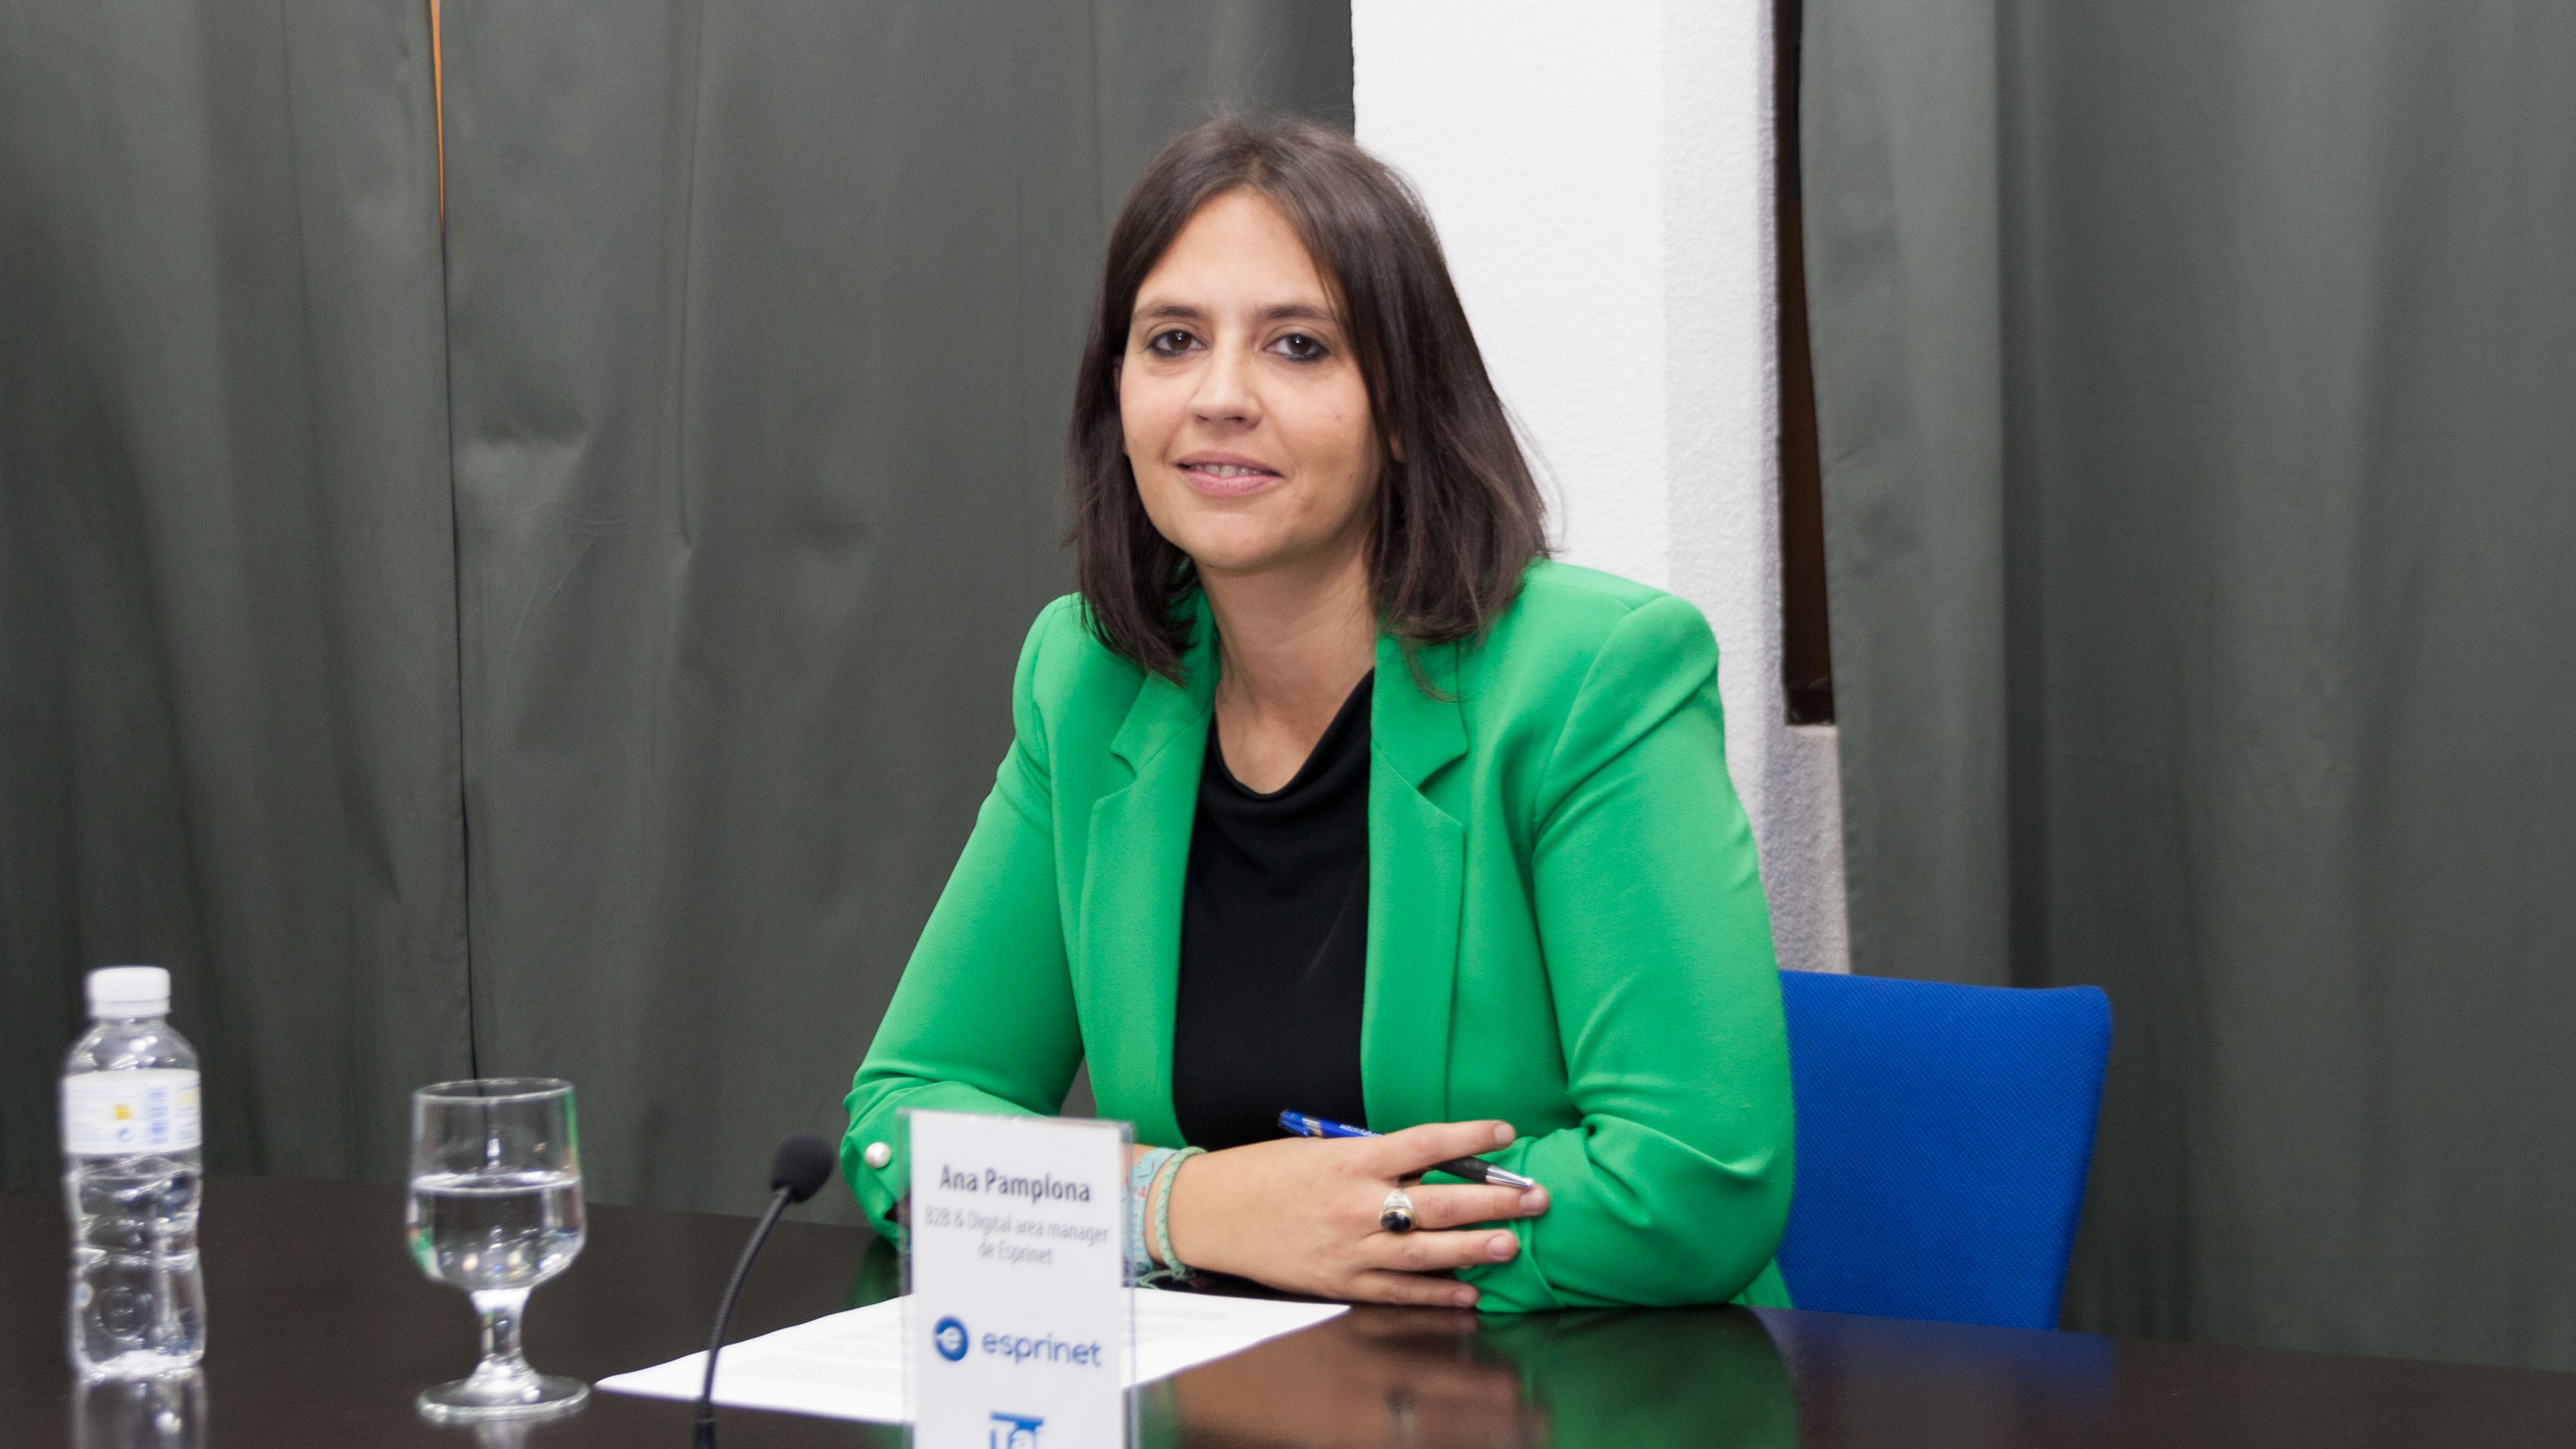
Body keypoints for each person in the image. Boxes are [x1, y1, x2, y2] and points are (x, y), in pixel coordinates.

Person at [844, 115, 1792, 1313]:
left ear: (1402, 409)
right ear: (1117, 395)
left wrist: (1354, 1228)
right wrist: (1184, 1208)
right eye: (1172, 340)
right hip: (1230, 1392)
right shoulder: (1084, 679)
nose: (1221, 397)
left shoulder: (1591, 673)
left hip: (1573, 1390)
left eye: (1299, 346)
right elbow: (904, 1118)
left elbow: (1698, 1181)